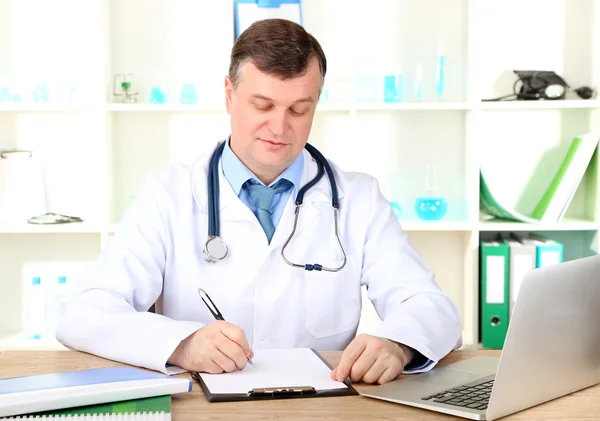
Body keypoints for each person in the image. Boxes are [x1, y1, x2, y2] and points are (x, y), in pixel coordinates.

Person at [56, 18, 462, 385]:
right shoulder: (168, 195)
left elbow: (431, 306)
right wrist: (180, 343)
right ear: (229, 94)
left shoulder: (358, 198)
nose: (279, 127)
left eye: (299, 109)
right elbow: (85, 313)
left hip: (323, 410)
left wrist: (398, 343)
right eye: (262, 105)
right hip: (201, 408)